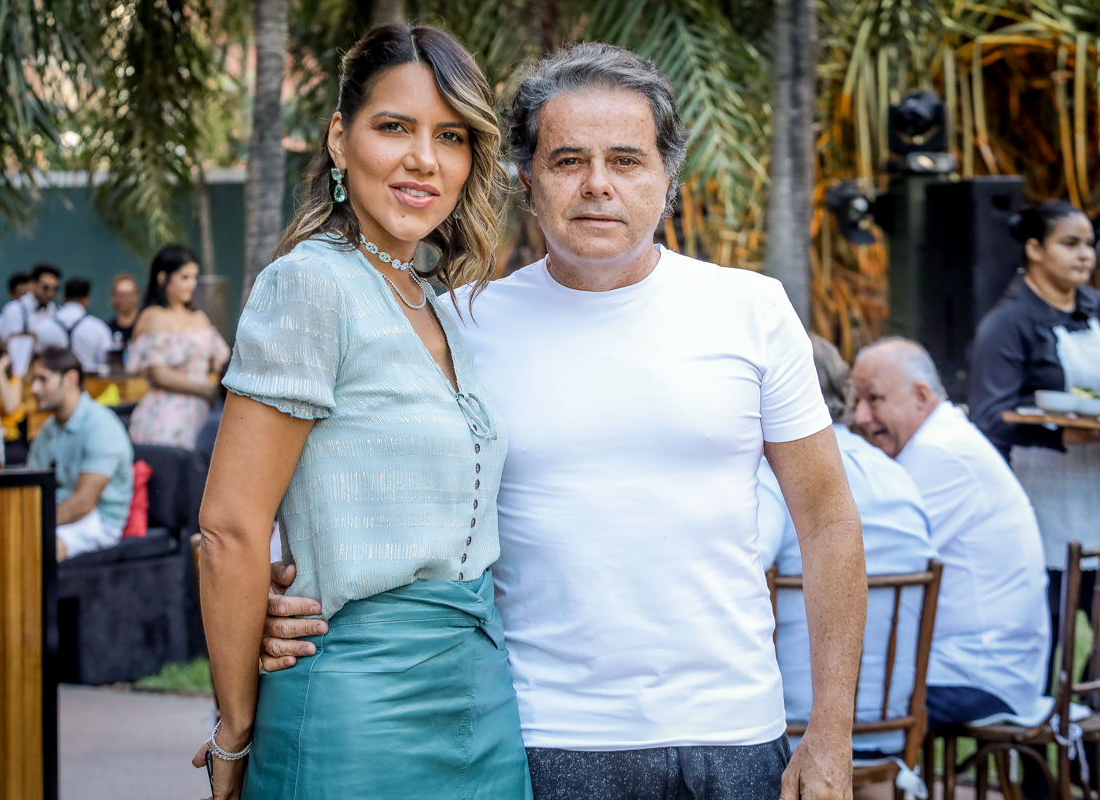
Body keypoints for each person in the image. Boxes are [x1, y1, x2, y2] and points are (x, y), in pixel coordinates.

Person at [260, 41, 867, 800]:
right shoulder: (458, 326)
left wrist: (831, 733)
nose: (597, 185)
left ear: (668, 178)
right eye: (568, 160)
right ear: (527, 180)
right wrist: (273, 600)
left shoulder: (753, 310)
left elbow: (829, 521)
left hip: (732, 733)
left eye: (626, 160)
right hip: (540, 736)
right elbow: (347, 494)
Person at [192, 25, 531, 800]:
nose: (424, 159)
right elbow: (230, 529)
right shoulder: (310, 285)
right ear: (340, 139)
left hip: (480, 700)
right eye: (394, 127)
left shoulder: (434, 301)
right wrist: (234, 735)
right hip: (357, 709)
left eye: (451, 136)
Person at [852, 337, 1052, 731]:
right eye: (857, 401)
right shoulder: (941, 440)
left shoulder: (939, 452)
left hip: (976, 674)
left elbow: (867, 560)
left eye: (873, 399)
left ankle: (883, 770)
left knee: (818, 700)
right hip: (973, 663)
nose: (860, 416)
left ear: (920, 396)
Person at [759, 334, 936, 763]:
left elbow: (734, 574)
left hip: (799, 730)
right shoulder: (897, 476)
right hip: (890, 722)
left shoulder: (774, 477)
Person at [968, 200, 1100, 660]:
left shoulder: (1096, 308)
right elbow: (988, 417)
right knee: (1050, 631)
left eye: (1089, 244)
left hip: (1096, 488)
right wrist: (1058, 435)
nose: (1085, 255)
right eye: (1070, 243)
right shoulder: (1006, 323)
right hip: (1042, 497)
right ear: (1035, 249)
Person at [27, 347, 134, 561]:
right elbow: (30, 485)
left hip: (99, 520)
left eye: (42, 379)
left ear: (70, 379)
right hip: (60, 514)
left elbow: (83, 503)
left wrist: (31, 525)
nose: (33, 388)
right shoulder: (48, 428)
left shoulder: (101, 425)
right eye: (33, 380)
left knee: (36, 546)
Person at [126, 245, 229, 448]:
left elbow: (221, 359)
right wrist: (206, 390)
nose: (192, 284)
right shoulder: (153, 316)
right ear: (163, 278)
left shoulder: (198, 316)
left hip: (206, 413)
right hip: (167, 416)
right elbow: (158, 373)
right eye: (185, 278)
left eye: (194, 277)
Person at [32, 277, 115, 374]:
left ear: (63, 297)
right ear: (86, 300)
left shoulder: (43, 327)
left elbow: (35, 361)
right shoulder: (98, 328)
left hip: (53, 380)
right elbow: (107, 362)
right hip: (89, 381)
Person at [0, 263, 60, 339]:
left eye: (55, 289)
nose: (50, 293)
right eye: (45, 288)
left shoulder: (55, 310)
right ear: (33, 284)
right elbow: (12, 342)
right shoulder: (15, 309)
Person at [108, 272, 140, 357]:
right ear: (113, 297)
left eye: (129, 295)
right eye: (121, 295)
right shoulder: (107, 329)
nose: (125, 299)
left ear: (136, 296)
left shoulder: (143, 326)